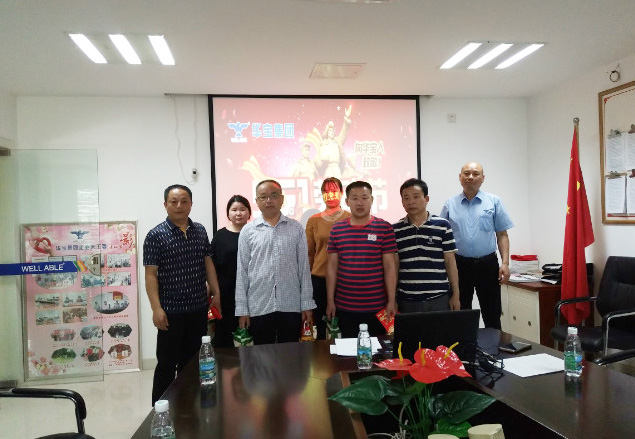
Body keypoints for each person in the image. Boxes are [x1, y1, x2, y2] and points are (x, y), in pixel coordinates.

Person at [143, 184, 221, 405]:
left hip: (198, 308)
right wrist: (156, 309)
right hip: (170, 312)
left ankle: (188, 406)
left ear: (191, 204)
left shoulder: (200, 231)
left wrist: (216, 292)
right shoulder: (155, 235)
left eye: (184, 201)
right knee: (167, 364)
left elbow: (208, 263)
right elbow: (151, 275)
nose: (179, 205)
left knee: (192, 362)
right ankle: (159, 409)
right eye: (174, 201)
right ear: (165, 204)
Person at [235, 179, 316, 344]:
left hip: (291, 304)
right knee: (262, 355)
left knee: (291, 353)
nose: (269, 200)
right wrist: (242, 309)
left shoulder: (296, 228)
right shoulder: (248, 231)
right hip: (258, 305)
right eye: (263, 197)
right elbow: (242, 272)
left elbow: (304, 268)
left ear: (282, 199)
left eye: (273, 195)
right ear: (257, 201)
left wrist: (307, 303)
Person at [440, 162, 514, 329]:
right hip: (459, 265)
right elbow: (442, 238)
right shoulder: (450, 204)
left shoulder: (494, 201)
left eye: (475, 174)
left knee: (492, 312)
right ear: (460, 177)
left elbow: (502, 235)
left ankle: (494, 345)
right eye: (466, 173)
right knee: (460, 313)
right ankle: (463, 345)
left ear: (482, 178)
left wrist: (505, 263)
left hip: (487, 264)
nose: (470, 177)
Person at [326, 181, 398, 338]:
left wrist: (391, 301)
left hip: (377, 306)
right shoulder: (337, 229)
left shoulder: (384, 228)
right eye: (355, 198)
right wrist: (330, 301)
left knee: (377, 348)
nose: (360, 203)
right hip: (345, 305)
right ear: (347, 201)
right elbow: (331, 268)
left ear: (372, 200)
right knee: (348, 349)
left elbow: (390, 267)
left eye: (364, 198)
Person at [393, 178, 461, 312]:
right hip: (407, 300)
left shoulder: (443, 225)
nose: (411, 202)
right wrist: (393, 299)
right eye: (406, 198)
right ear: (402, 202)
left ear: (426, 198)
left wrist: (456, 294)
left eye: (416, 196)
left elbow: (450, 262)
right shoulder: (395, 230)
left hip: (439, 298)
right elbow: (394, 266)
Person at [306, 177, 351, 339]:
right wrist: (307, 281)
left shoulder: (351, 217)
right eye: (326, 191)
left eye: (334, 191)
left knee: (344, 322)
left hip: (345, 278)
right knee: (320, 322)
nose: (330, 195)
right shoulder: (313, 220)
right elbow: (310, 253)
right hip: (319, 278)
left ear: (341, 193)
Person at [210, 195, 251, 347]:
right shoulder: (220, 236)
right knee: (225, 337)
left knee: (249, 336)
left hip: (251, 293)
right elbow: (212, 267)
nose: (238, 213)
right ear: (228, 213)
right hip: (225, 294)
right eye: (234, 210)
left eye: (242, 209)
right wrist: (212, 293)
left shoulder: (255, 233)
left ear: (249, 212)